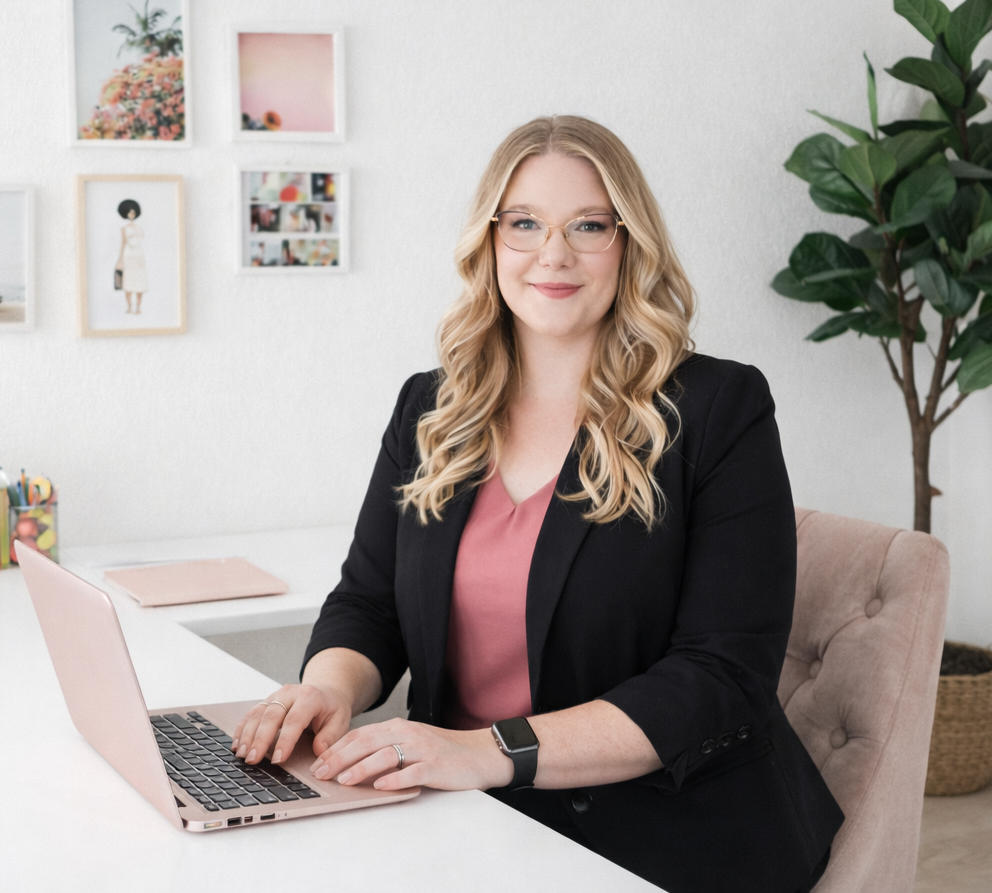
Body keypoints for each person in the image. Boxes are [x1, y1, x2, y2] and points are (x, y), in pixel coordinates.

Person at [232, 116, 843, 892]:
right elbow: (370, 601)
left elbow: (721, 676)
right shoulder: (431, 408)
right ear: (490, 243)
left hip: (666, 823)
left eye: (589, 225)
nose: (552, 255)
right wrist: (327, 690)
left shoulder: (719, 407)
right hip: (468, 809)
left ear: (630, 244)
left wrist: (486, 752)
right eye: (524, 224)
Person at [115, 199, 147, 314]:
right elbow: (123, 243)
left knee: (140, 283)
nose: (131, 214)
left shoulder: (139, 228)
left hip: (139, 256)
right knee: (128, 283)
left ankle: (138, 308)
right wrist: (120, 261)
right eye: (129, 212)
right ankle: (129, 307)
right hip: (128, 256)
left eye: (133, 212)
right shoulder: (124, 229)